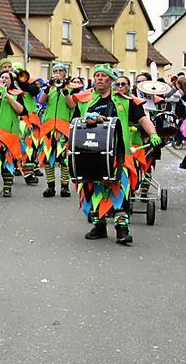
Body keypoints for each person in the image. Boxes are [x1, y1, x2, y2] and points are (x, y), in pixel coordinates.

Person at [71, 64, 161, 245]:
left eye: (104, 76)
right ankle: (99, 226)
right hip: (90, 153)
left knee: (120, 191)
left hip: (119, 154)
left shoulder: (125, 101)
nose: (100, 79)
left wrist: (153, 134)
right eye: (97, 76)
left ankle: (122, 230)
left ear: (111, 80)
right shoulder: (84, 101)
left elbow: (143, 118)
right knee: (93, 190)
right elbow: (74, 124)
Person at [37, 63, 77, 198]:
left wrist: (65, 91)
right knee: (48, 158)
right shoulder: (49, 88)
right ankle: (50, 186)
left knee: (64, 159)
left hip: (64, 128)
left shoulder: (72, 88)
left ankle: (65, 186)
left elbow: (72, 105)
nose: (58, 72)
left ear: (65, 73)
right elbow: (41, 101)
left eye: (61, 70)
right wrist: (48, 87)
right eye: (56, 70)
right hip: (48, 127)